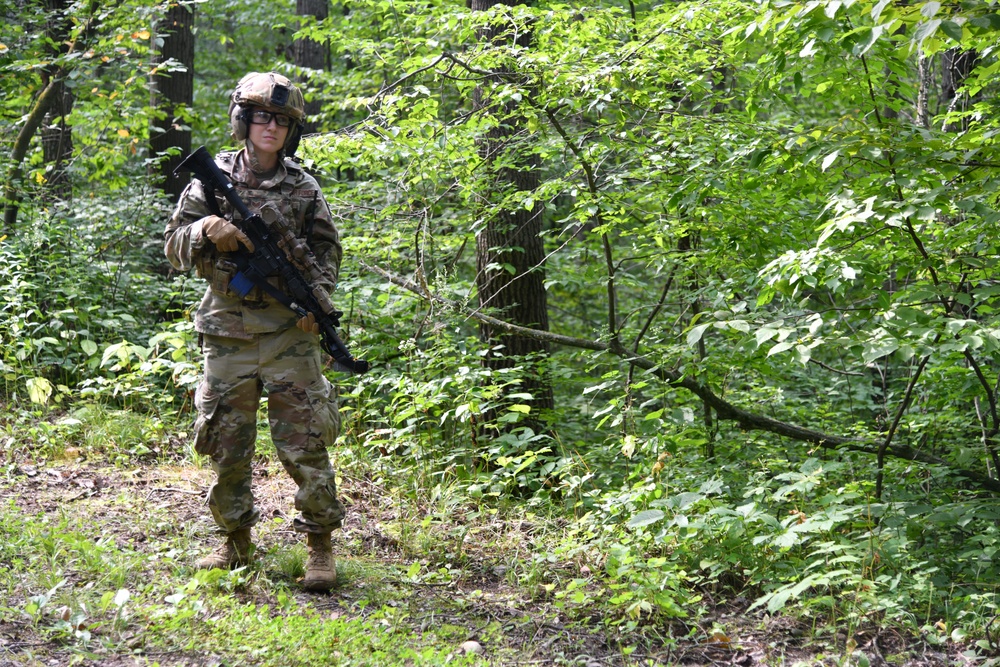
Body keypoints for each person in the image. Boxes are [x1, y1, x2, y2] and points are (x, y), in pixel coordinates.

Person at [164, 71, 345, 591]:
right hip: (227, 332)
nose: (271, 126)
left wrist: (318, 302)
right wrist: (205, 229)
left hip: (291, 334)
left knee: (306, 442)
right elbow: (173, 245)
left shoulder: (304, 187)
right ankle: (235, 541)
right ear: (242, 120)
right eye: (262, 115)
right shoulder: (209, 179)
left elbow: (326, 252)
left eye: (283, 121)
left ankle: (320, 548)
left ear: (293, 131)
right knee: (227, 441)